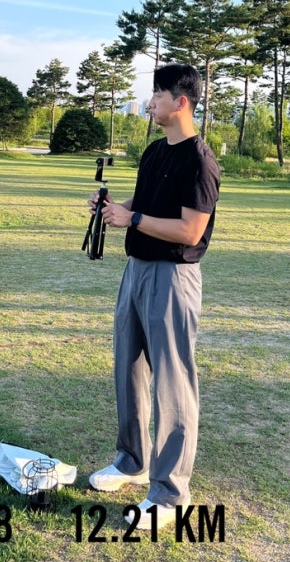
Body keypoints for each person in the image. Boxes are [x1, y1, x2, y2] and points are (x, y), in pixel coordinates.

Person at [88, 63, 221, 529]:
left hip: (173, 277)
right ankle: (132, 462)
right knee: (128, 367)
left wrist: (135, 220)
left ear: (180, 102)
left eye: (157, 96)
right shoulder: (154, 152)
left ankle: (170, 494)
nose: (150, 103)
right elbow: (142, 208)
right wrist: (115, 209)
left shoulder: (200, 161)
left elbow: (190, 230)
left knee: (172, 381)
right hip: (137, 270)